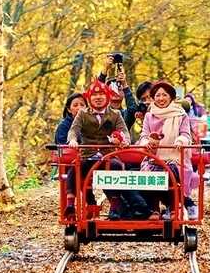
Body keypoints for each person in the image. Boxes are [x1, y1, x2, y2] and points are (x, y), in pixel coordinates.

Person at [68, 79, 150, 220]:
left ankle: (115, 205)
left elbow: (124, 132)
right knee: (74, 169)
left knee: (116, 167)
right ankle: (70, 204)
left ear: (107, 96)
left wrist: (123, 141)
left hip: (109, 155)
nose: (98, 98)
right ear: (89, 97)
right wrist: (73, 140)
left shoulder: (115, 114)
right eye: (94, 95)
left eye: (101, 95)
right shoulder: (82, 114)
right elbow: (73, 130)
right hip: (88, 155)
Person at [137, 81, 199, 220]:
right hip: (153, 157)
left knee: (170, 171)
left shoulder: (181, 114)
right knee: (147, 173)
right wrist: (147, 143)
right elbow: (144, 135)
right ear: (153, 98)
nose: (161, 98)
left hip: (174, 156)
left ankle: (172, 208)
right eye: (157, 95)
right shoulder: (149, 115)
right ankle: (153, 209)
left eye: (164, 95)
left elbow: (185, 134)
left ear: (171, 97)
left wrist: (180, 141)